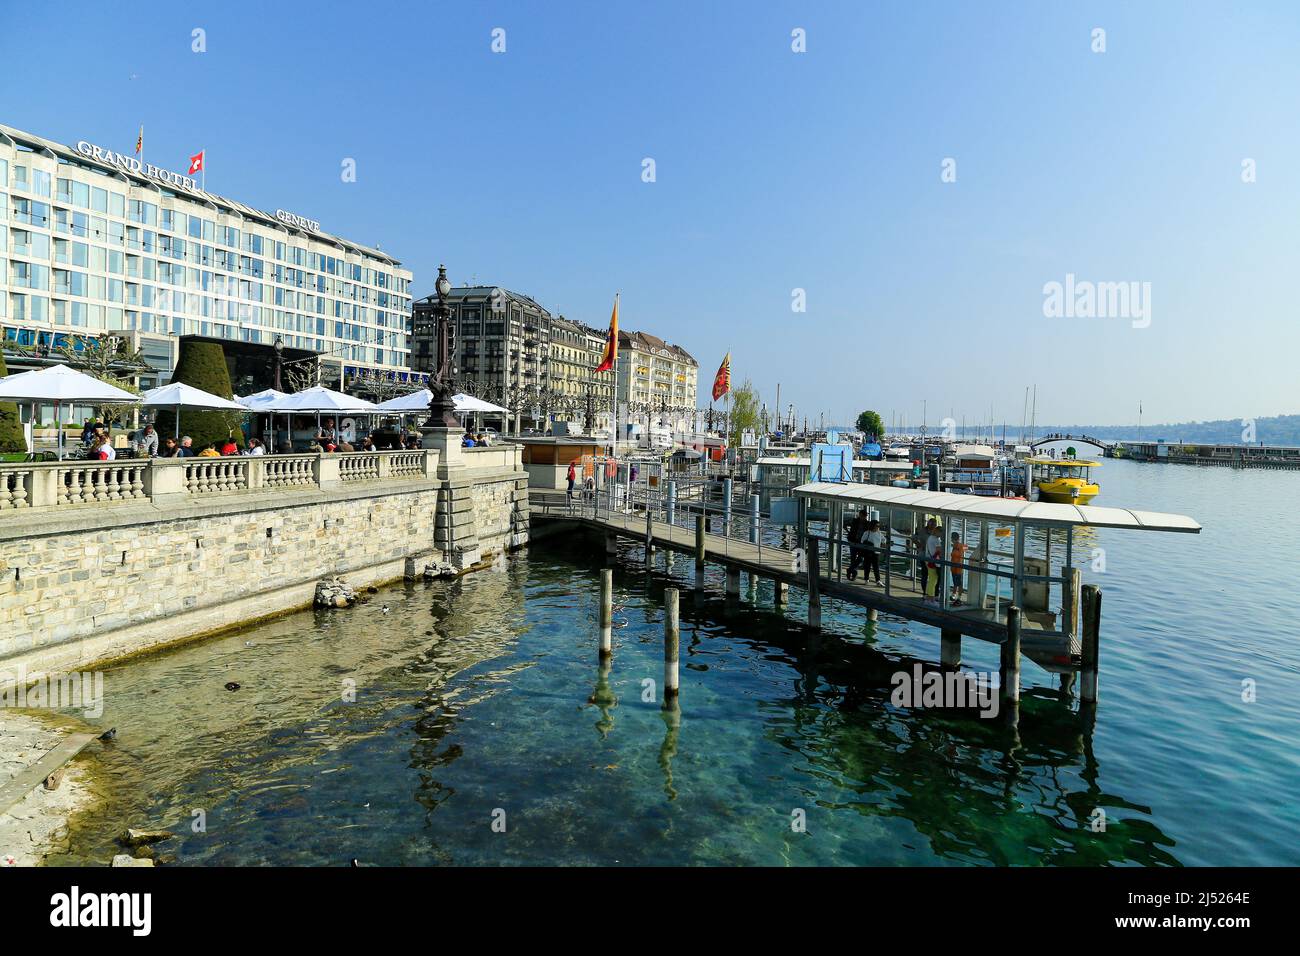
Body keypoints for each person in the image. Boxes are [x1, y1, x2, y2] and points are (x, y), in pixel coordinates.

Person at [846, 509, 870, 581]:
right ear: (860, 515)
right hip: (853, 541)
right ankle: (853, 573)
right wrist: (848, 533)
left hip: (861, 543)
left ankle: (850, 570)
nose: (864, 517)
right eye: (862, 515)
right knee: (853, 558)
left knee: (860, 558)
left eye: (865, 516)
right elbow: (847, 525)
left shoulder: (867, 523)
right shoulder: (855, 521)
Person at [925, 523, 944, 605]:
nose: (941, 535)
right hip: (934, 561)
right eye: (941, 533)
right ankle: (931, 600)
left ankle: (929, 598)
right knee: (933, 580)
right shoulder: (936, 540)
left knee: (931, 580)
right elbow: (939, 551)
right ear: (938, 532)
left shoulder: (930, 538)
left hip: (929, 560)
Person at [864, 519, 884, 586]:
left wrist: (885, 544)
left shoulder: (879, 533)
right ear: (872, 526)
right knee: (867, 566)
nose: (878, 527)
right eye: (876, 526)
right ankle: (866, 579)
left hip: (876, 552)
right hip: (868, 552)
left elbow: (884, 540)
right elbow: (862, 541)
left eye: (878, 526)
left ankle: (878, 580)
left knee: (876, 567)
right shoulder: (867, 533)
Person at [949, 531, 967, 606]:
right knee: (957, 582)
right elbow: (966, 548)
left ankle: (958, 596)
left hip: (957, 567)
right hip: (957, 567)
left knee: (958, 582)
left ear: (952, 539)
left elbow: (956, 554)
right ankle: (955, 595)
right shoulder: (960, 545)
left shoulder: (958, 546)